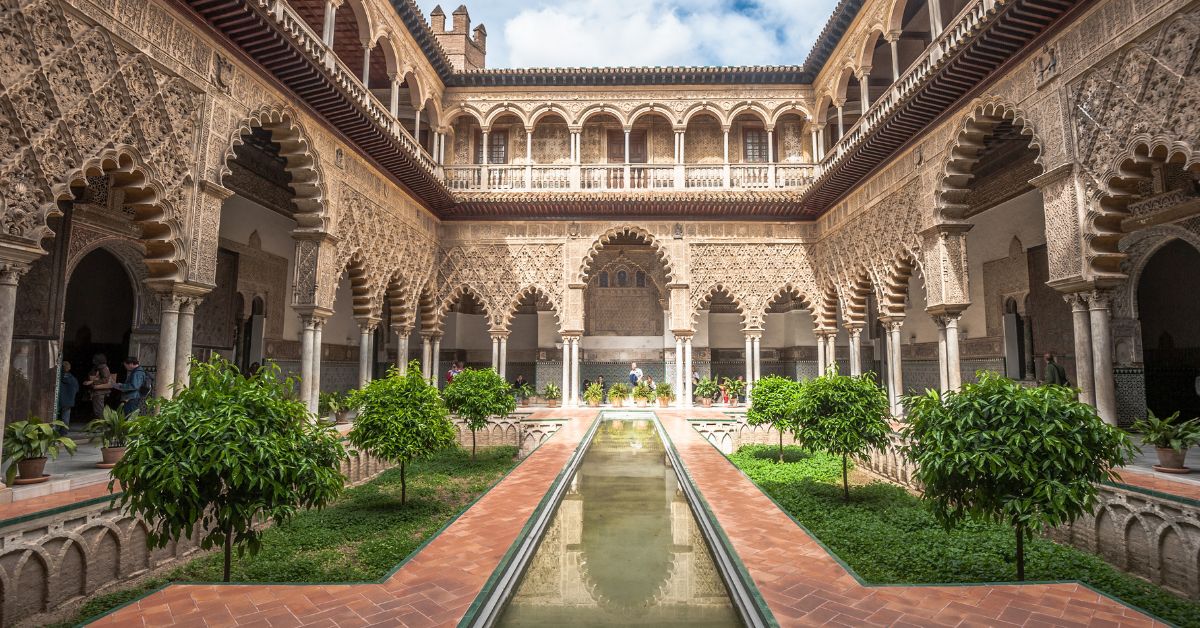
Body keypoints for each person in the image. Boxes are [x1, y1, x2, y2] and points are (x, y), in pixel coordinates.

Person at [83, 353, 113, 419]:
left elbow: (105, 380)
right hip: (98, 392)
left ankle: (101, 427)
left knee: (98, 411)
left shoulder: (103, 368)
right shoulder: (99, 367)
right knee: (98, 410)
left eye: (95, 359)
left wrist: (92, 382)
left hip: (99, 392)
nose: (93, 360)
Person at [59, 361, 79, 433]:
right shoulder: (73, 379)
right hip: (68, 402)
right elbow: (77, 389)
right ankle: (63, 432)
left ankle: (55, 431)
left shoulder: (57, 378)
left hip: (59, 401)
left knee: (57, 417)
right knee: (65, 417)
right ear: (69, 368)